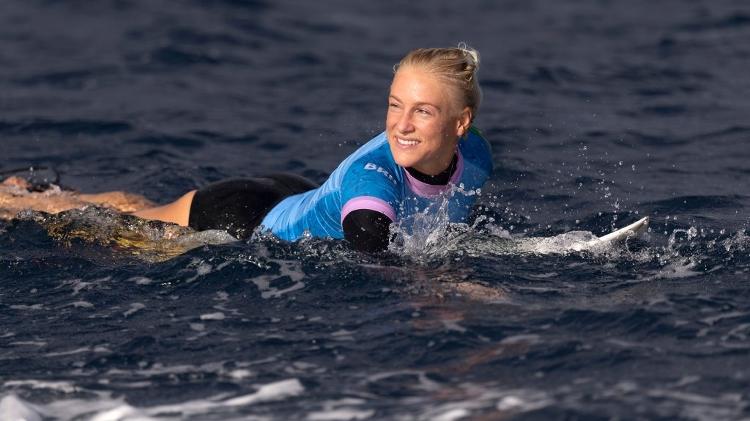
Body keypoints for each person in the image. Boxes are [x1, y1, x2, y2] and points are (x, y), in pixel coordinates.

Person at [1, 46, 493, 252]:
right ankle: (20, 200)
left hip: (297, 196)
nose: (401, 127)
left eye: (422, 112)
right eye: (394, 106)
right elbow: (371, 241)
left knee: (137, 211)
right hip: (240, 219)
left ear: (461, 123)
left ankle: (40, 191)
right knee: (114, 234)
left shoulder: (476, 157)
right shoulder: (373, 175)